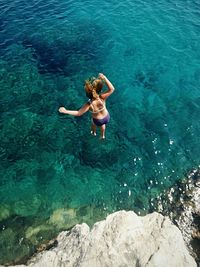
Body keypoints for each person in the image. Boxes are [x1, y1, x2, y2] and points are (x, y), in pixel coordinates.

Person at [58, 73, 115, 139]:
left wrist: (65, 111)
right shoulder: (102, 97)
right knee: (103, 124)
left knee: (93, 123)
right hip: (106, 117)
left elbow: (78, 113)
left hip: (97, 120)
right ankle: (102, 135)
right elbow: (112, 89)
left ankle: (93, 132)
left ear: (87, 93)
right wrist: (104, 78)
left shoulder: (89, 104)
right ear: (99, 90)